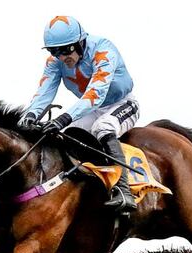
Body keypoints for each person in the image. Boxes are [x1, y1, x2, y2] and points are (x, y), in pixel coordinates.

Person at [19, 16, 140, 213]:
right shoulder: (55, 62)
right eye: (54, 51)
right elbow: (44, 93)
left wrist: (63, 118)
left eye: (66, 49)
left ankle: (124, 191)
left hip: (122, 104)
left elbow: (95, 94)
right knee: (66, 133)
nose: (62, 57)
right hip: (92, 110)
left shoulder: (103, 50)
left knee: (103, 127)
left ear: (80, 41)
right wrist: (29, 117)